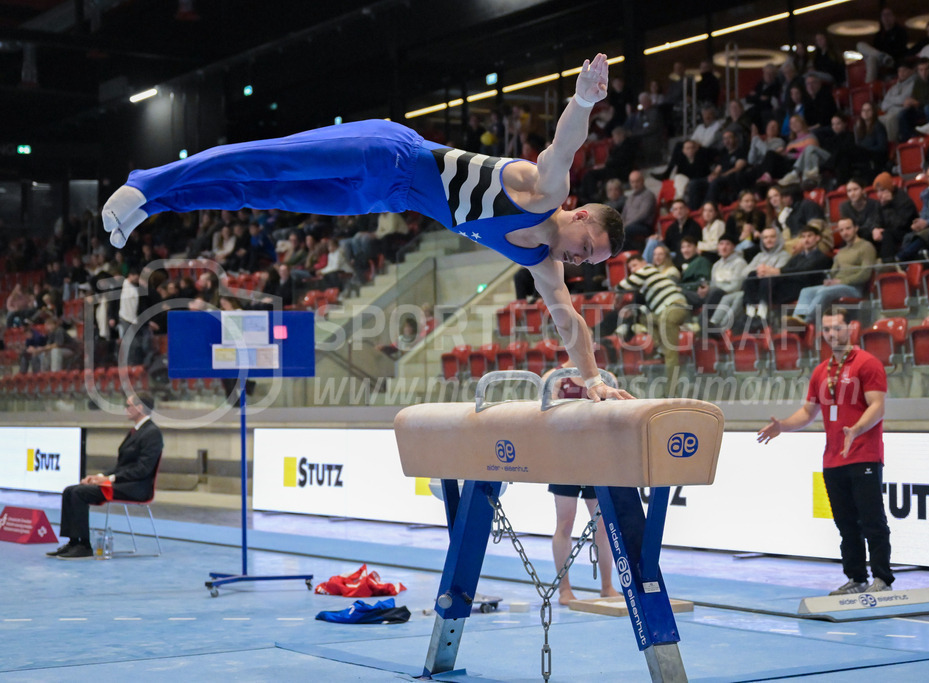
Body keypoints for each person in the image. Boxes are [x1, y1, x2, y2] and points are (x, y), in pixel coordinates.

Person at [101, 54, 630, 402]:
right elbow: (564, 146)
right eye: (587, 246)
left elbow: (569, 323)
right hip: (387, 151)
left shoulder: (541, 263)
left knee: (263, 192)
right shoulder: (544, 192)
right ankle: (148, 183)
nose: (582, 260)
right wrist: (584, 99)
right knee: (267, 162)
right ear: (581, 214)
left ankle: (157, 204)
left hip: (379, 196)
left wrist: (591, 379)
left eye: (591, 261)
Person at [757, 306, 892, 595]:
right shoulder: (821, 371)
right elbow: (808, 412)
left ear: (851, 328)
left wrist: (856, 429)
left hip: (864, 455)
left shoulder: (867, 363)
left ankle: (882, 579)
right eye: (827, 329)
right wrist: (782, 426)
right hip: (833, 459)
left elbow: (878, 406)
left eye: (837, 328)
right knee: (845, 524)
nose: (832, 334)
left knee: (872, 521)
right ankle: (857, 578)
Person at [48, 393, 163, 559]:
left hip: (136, 487)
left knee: (79, 493)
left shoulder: (152, 433)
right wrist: (99, 477)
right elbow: (121, 466)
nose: (125, 409)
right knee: (69, 491)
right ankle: (73, 542)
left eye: (128, 405)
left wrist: (110, 479)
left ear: (139, 408)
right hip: (122, 482)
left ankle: (84, 545)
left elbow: (142, 469)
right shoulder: (136, 432)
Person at [541, 366, 617, 605]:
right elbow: (544, 417)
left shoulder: (604, 378)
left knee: (602, 527)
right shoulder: (554, 377)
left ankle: (607, 586)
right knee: (565, 523)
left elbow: (612, 419)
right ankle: (565, 589)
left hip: (596, 459)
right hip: (564, 459)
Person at [608, 255, 691, 397]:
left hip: (673, 308)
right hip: (663, 312)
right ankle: (661, 347)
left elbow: (622, 285)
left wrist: (618, 296)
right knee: (644, 317)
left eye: (635, 265)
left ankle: (670, 394)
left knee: (671, 355)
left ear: (644, 263)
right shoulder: (647, 281)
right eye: (631, 268)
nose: (633, 270)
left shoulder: (648, 270)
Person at [785, 218, 876, 326]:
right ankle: (796, 321)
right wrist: (829, 280)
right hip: (837, 286)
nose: (845, 233)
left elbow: (865, 273)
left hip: (855, 288)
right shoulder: (842, 251)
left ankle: (805, 321)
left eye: (848, 228)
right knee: (806, 291)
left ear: (856, 228)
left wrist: (841, 281)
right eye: (841, 230)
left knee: (824, 292)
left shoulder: (866, 247)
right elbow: (833, 271)